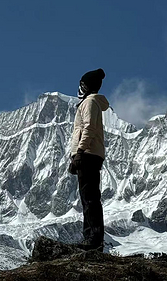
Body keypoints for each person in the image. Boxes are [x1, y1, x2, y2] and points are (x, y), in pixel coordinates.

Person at [69, 68, 109, 252]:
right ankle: (90, 238)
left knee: (90, 199)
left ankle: (94, 240)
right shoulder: (89, 103)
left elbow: (89, 128)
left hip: (88, 154)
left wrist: (79, 151)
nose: (80, 88)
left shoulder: (90, 102)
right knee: (88, 199)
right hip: (88, 154)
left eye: (83, 84)